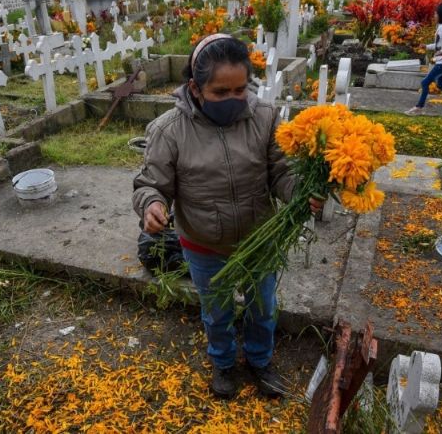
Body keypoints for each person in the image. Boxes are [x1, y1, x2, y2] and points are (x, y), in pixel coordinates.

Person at [133, 34, 322, 399]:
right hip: (204, 245)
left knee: (262, 308)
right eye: (221, 92)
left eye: (240, 90)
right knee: (216, 312)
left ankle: (260, 361)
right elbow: (150, 184)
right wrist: (152, 206)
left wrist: (300, 193)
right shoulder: (168, 131)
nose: (234, 100)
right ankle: (222, 363)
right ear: (195, 87)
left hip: (260, 241)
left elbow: (280, 172)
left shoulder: (265, 118)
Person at [406, 1, 442, 116]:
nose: (434, 16)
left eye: (436, 14)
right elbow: (440, 44)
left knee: (425, 82)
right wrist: (427, 46)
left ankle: (419, 107)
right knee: (440, 84)